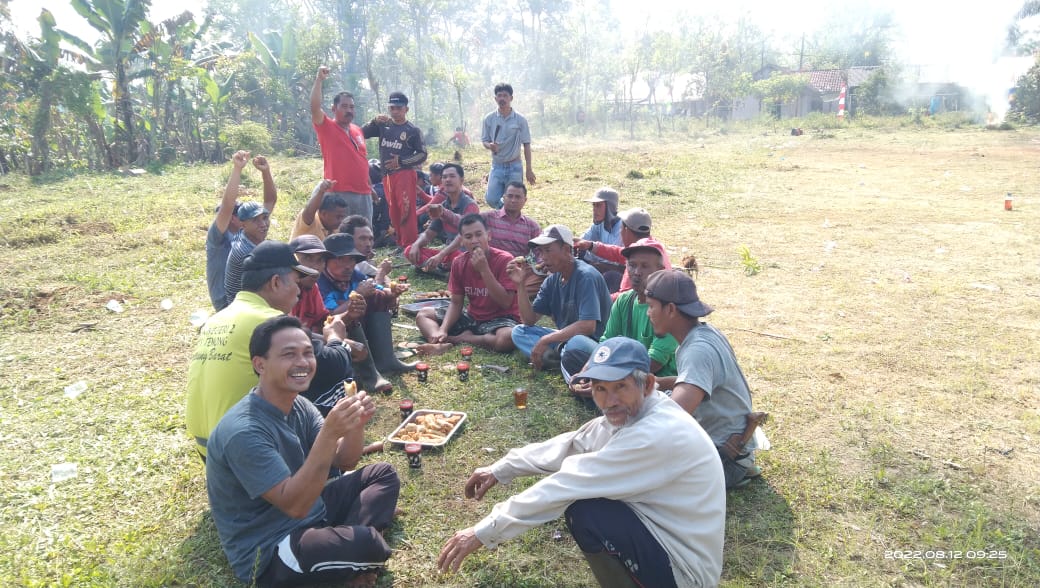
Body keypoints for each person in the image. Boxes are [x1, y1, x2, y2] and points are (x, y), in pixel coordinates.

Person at [437, 337, 725, 588]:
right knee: (589, 505)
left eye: (620, 386)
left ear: (648, 384)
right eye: (600, 389)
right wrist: (500, 469)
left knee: (586, 512)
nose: (609, 400)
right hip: (665, 534)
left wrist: (482, 531)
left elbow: (566, 485)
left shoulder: (655, 434)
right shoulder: (641, 410)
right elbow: (575, 443)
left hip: (686, 574)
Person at [206, 315, 399, 587]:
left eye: (308, 353)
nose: (303, 362)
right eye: (288, 354)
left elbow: (345, 460)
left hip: (314, 515)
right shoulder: (244, 431)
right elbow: (294, 506)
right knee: (368, 544)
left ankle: (350, 563)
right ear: (260, 364)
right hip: (272, 549)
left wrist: (355, 425)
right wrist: (331, 433)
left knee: (382, 474)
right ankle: (357, 556)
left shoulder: (298, 404)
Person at [187, 241, 317, 458]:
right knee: (308, 371)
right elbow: (326, 363)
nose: (300, 290)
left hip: (206, 445)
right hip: (242, 446)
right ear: (275, 282)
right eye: (296, 281)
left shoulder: (216, 319)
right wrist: (337, 341)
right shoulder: (270, 321)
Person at [644, 268, 766, 489]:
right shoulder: (705, 333)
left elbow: (673, 415)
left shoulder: (697, 351)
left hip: (725, 458)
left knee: (643, 476)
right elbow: (690, 382)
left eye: (651, 307)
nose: (648, 313)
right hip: (729, 451)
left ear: (670, 309)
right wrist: (656, 383)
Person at [561, 238, 679, 394]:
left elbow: (653, 363)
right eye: (632, 265)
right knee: (574, 348)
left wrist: (607, 380)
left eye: (644, 266)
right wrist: (587, 373)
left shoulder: (667, 308)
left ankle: (605, 395)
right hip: (621, 367)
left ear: (660, 270)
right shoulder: (624, 300)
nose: (637, 272)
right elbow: (605, 344)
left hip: (653, 381)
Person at [507, 225, 612, 371]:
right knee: (519, 331)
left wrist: (546, 339)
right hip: (565, 341)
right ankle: (560, 360)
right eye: (541, 251)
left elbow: (588, 326)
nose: (543, 257)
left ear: (567, 250)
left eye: (548, 250)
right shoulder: (551, 280)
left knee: (576, 342)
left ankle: (557, 359)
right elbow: (529, 320)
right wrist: (520, 286)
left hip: (592, 343)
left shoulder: (586, 276)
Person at [414, 214, 519, 354]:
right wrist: (442, 329)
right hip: (473, 317)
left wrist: (484, 270)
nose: (475, 240)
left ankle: (459, 340)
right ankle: (439, 341)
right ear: (462, 241)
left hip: (501, 319)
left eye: (478, 234)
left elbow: (505, 302)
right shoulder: (459, 262)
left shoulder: (504, 259)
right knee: (423, 315)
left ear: (489, 236)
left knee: (507, 338)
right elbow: (456, 303)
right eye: (468, 237)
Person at [206, 150, 278, 312]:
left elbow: (269, 201)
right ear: (235, 218)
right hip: (226, 301)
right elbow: (227, 205)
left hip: (248, 295)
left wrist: (265, 172)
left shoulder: (250, 229)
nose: (262, 223)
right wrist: (237, 168)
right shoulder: (217, 238)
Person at [362, 92, 427, 252]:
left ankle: (410, 245)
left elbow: (422, 154)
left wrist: (402, 161)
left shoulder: (412, 130)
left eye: (399, 108)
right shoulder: (383, 125)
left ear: (406, 109)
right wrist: (373, 121)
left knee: (406, 209)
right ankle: (400, 242)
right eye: (392, 108)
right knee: (393, 210)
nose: (395, 111)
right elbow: (361, 133)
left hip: (404, 175)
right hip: (386, 176)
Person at [310, 66, 373, 221]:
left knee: (364, 235)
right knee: (340, 235)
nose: (349, 110)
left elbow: (362, 160)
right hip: (339, 192)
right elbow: (314, 107)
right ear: (333, 108)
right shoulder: (327, 127)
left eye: (351, 107)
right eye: (344, 106)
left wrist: (370, 187)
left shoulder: (357, 130)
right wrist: (319, 79)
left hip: (364, 193)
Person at [573, 207, 671, 296]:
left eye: (621, 228)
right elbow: (618, 253)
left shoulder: (638, 262)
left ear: (626, 230)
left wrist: (600, 300)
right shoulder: (651, 247)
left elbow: (627, 298)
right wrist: (590, 245)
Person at [404, 162, 479, 273]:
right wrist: (416, 244)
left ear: (461, 180)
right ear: (442, 181)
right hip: (448, 253)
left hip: (466, 253)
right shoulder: (444, 204)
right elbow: (429, 233)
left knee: (461, 259)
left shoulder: (470, 205)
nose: (448, 180)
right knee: (409, 250)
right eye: (444, 177)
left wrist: (441, 255)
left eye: (452, 176)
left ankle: (441, 271)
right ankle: (442, 271)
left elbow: (463, 236)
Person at [481, 83, 535, 209]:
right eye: (499, 96)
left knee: (514, 199)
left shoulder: (520, 120)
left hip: (514, 166)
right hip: (497, 165)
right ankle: (505, 212)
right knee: (491, 199)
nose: (502, 99)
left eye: (505, 96)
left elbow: (526, 144)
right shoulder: (489, 119)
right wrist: (490, 146)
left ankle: (509, 219)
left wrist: (529, 169)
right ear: (495, 99)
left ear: (511, 98)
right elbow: (484, 140)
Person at [578, 187, 624, 283]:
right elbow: (582, 240)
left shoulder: (622, 228)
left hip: (617, 273)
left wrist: (590, 253)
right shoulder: (599, 225)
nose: (594, 210)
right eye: (593, 205)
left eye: (598, 205)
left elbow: (611, 259)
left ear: (609, 206)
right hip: (599, 266)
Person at [338, 215, 391, 282]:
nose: (368, 244)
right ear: (347, 241)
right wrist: (381, 273)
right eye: (362, 239)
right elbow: (364, 292)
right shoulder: (340, 269)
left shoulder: (361, 264)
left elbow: (387, 283)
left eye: (370, 239)